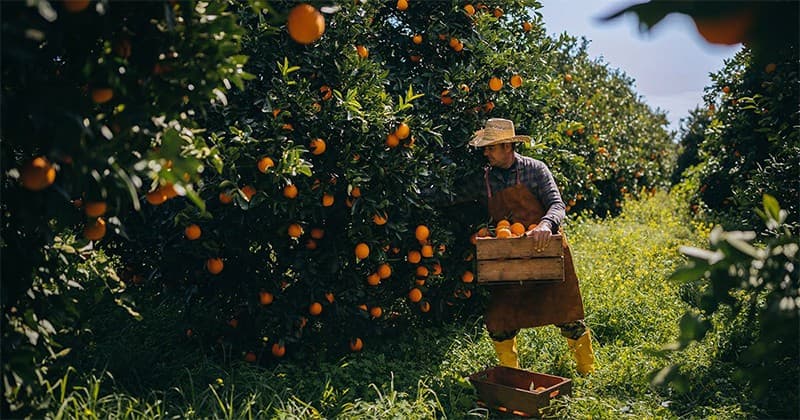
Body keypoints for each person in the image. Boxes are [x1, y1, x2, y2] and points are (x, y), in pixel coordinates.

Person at [452, 118, 596, 374]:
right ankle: (512, 376)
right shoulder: (484, 179)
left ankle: (588, 372)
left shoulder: (536, 170)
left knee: (567, 314)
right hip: (508, 258)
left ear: (508, 146)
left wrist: (545, 225)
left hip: (545, 251)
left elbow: (557, 204)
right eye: (485, 148)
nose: (486, 153)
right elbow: (451, 195)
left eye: (491, 147)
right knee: (499, 321)